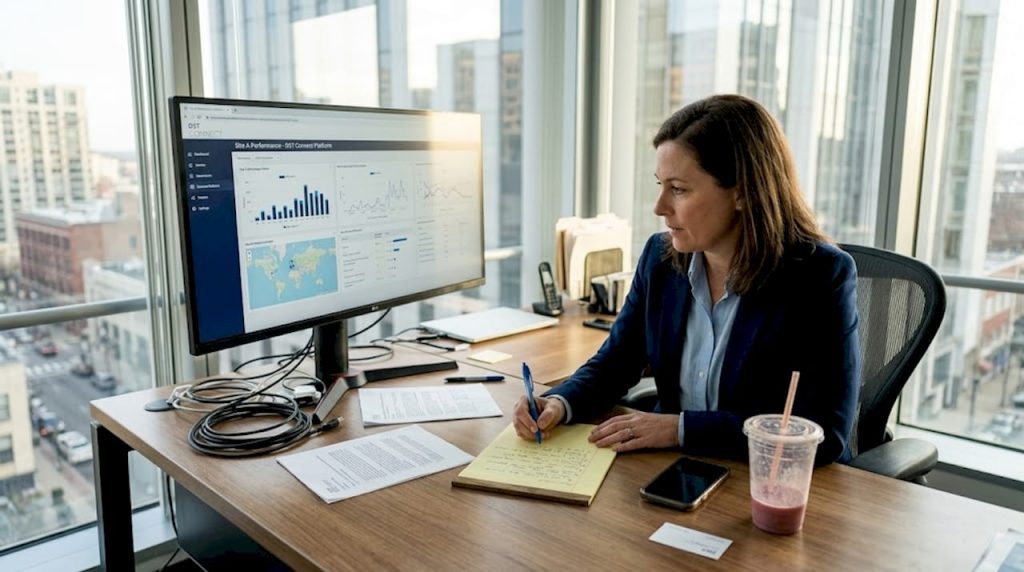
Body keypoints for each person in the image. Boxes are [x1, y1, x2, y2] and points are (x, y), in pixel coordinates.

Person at [513, 94, 860, 465]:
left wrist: (678, 429)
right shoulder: (660, 260)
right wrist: (559, 402)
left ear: (742, 191)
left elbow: (824, 432)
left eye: (678, 189)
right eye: (659, 185)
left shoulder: (820, 277)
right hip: (674, 472)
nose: (659, 207)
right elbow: (616, 362)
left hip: (768, 484)